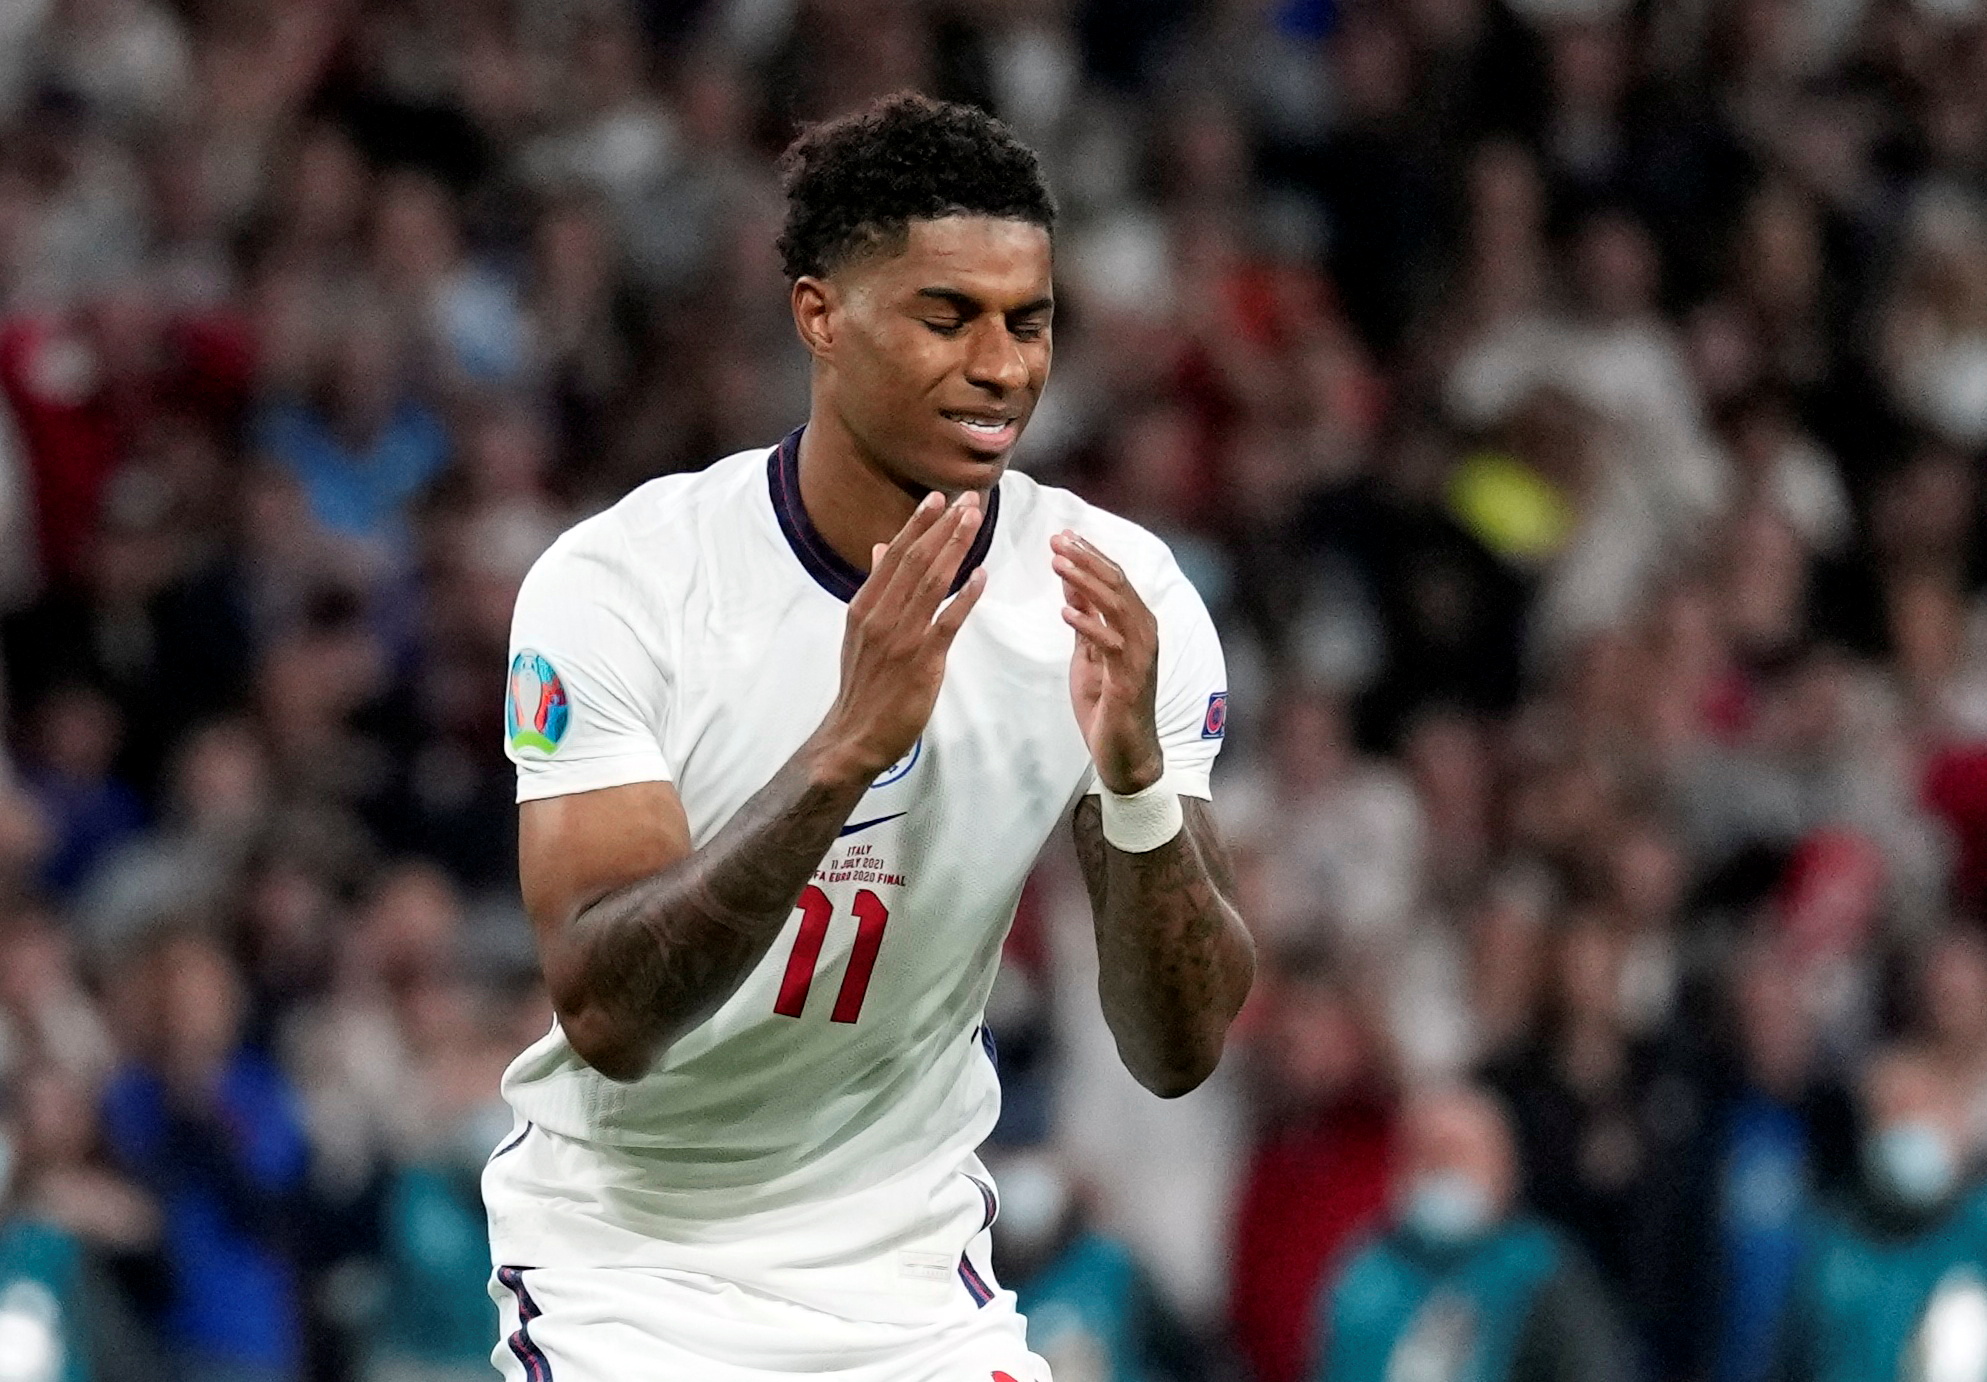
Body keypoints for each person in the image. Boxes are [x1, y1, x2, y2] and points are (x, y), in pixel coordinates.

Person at [486, 93, 1254, 1382]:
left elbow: (1177, 1050)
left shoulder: (1116, 596)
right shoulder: (623, 583)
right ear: (817, 315)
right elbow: (610, 1008)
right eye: (946, 317)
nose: (1001, 365)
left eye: (1031, 321)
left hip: (912, 1278)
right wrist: (844, 749)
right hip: (635, 1265)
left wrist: (1134, 792)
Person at [1316, 1084, 1631, 1382]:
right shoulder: (1367, 1272)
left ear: (1503, 1167)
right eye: (1428, 1153)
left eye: (1458, 1152)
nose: (1443, 1169)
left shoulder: (1540, 1270)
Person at [1775, 1046, 1987, 1382]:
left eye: (1921, 1111)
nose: (1906, 1131)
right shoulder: (1831, 1247)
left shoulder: (1978, 1232)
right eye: (1890, 1117)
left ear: (1959, 1123)